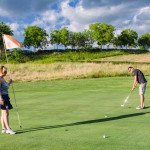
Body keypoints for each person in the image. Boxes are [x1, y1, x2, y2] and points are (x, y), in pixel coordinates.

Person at [0, 66, 16, 134]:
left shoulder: (2, 79)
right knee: (5, 113)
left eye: (6, 71)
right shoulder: (0, 79)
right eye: (4, 71)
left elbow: (5, 88)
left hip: (5, 96)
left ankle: (4, 128)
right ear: (1, 71)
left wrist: (9, 83)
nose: (6, 73)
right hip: (2, 97)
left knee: (3, 113)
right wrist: (0, 99)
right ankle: (8, 129)